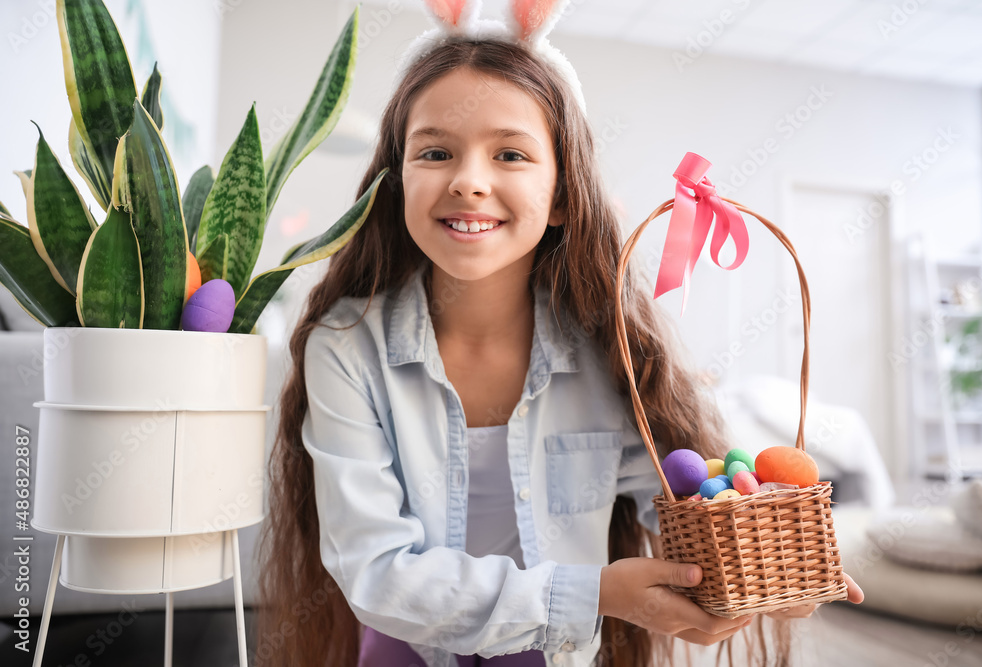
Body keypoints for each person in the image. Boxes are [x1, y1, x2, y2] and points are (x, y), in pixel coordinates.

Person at [255, 3, 864, 666]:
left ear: (563, 195)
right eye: (435, 151)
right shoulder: (345, 347)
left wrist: (771, 569)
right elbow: (377, 574)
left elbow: (685, 501)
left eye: (510, 153)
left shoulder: (610, 350)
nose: (468, 180)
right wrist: (594, 593)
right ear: (396, 178)